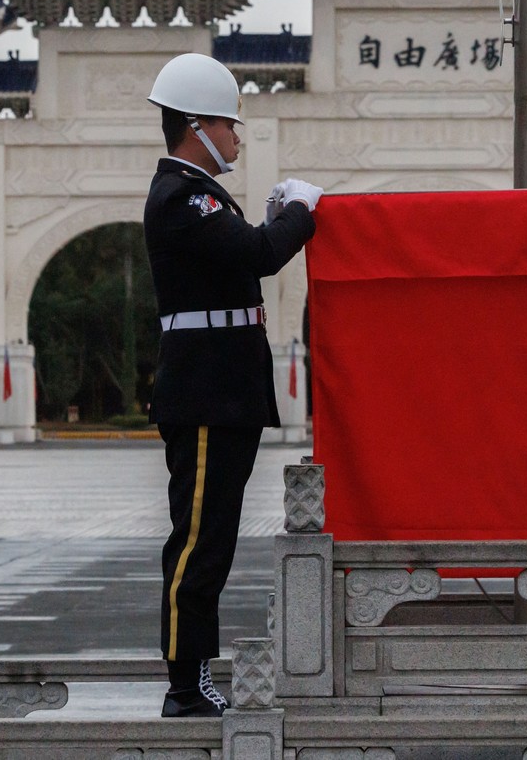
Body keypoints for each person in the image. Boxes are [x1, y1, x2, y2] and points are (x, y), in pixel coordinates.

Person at [143, 53, 321, 718]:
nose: (237, 137)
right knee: (197, 542)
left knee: (212, 538)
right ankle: (185, 685)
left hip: (224, 391)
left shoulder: (201, 195)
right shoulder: (183, 195)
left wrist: (274, 218)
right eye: (229, 124)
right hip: (206, 393)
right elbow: (259, 254)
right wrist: (301, 212)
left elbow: (242, 252)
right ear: (197, 126)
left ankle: (193, 677)